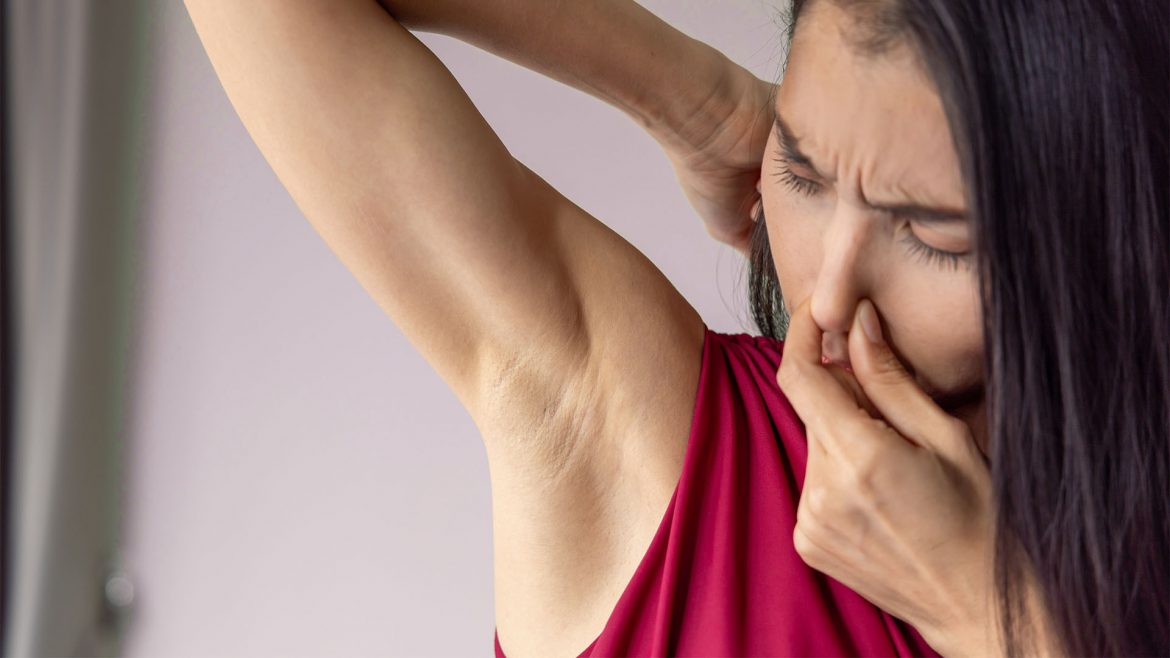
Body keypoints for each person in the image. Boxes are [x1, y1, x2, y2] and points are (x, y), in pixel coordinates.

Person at [182, 0, 1168, 656]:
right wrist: (694, 99)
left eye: (932, 234)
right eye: (804, 169)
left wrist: (983, 610)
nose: (825, 297)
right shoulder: (660, 444)